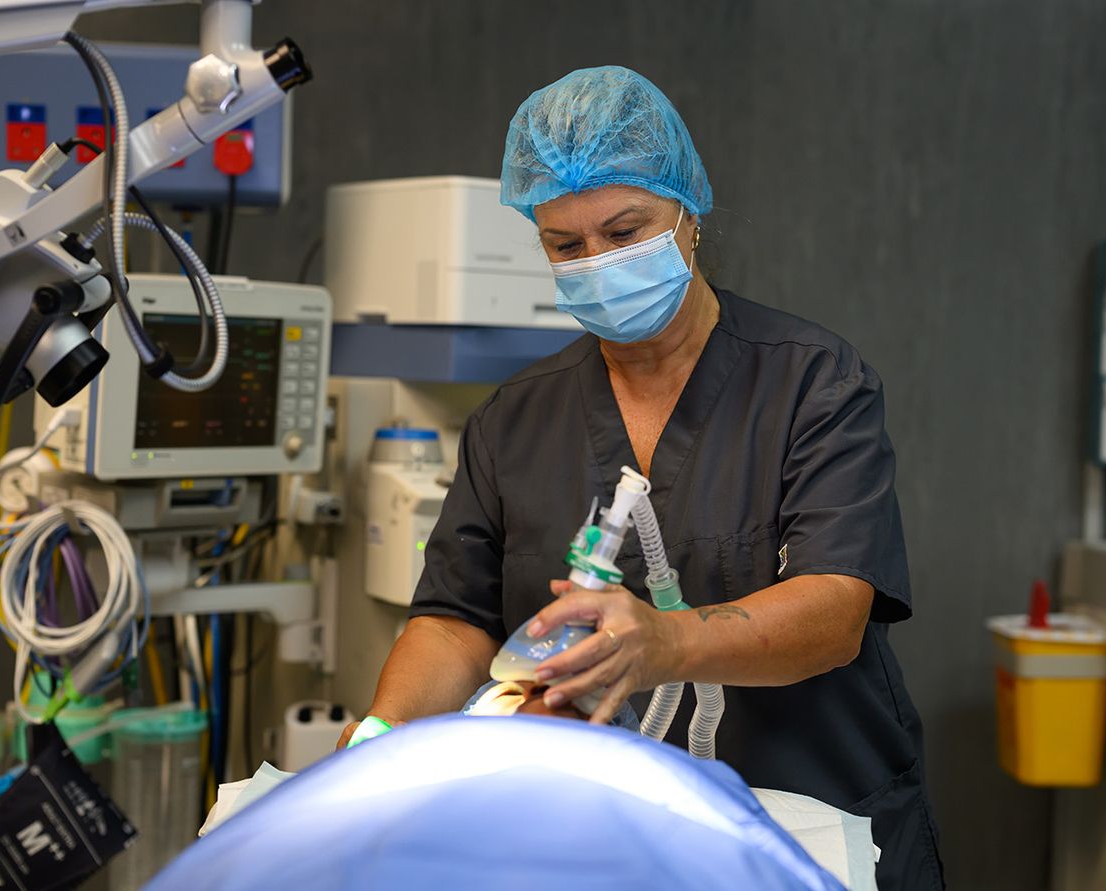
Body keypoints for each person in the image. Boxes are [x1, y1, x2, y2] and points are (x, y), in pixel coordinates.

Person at [340, 66, 942, 890]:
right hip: (611, 842)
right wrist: (380, 733)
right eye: (566, 245)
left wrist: (667, 642)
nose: (597, 262)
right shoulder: (515, 419)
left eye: (625, 232)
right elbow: (454, 620)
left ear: (688, 215)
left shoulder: (814, 383)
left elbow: (836, 609)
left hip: (809, 828)